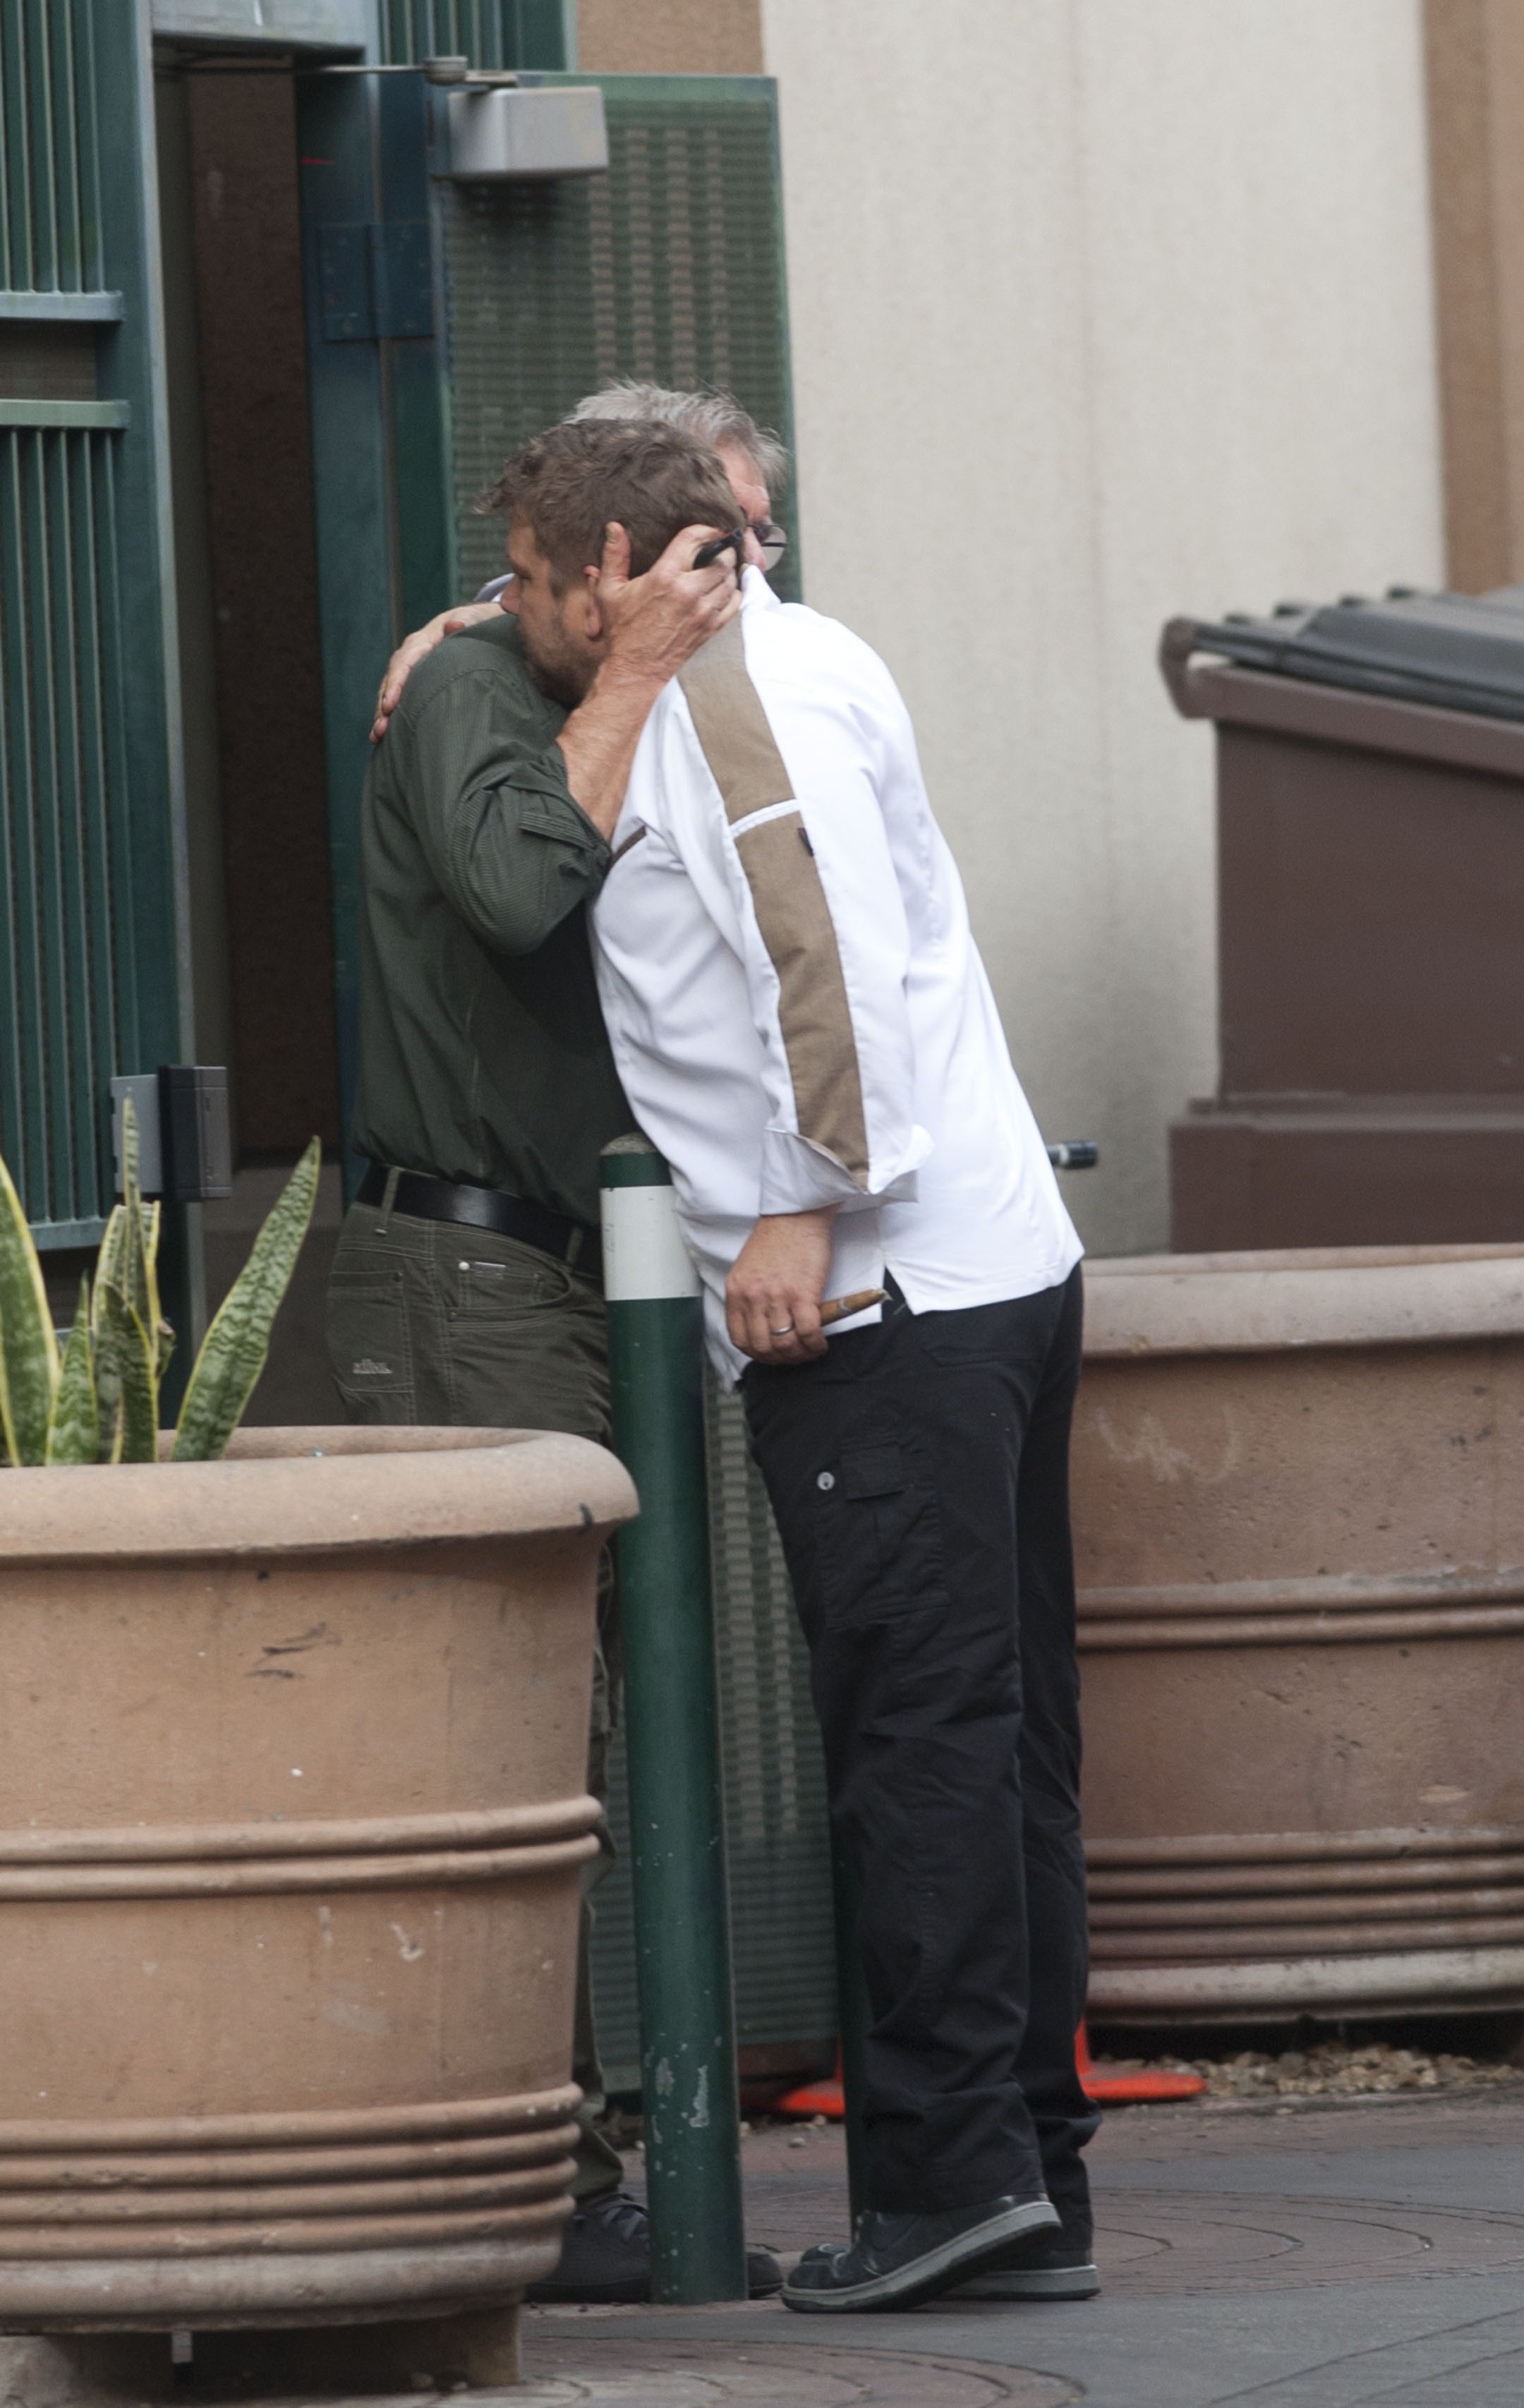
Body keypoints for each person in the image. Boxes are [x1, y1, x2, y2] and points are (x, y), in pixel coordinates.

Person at [480, 414, 1099, 2314]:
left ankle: (946, 2183)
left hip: (876, 1301)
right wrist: (460, 639)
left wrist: (804, 1211)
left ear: (613, 569)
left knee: (916, 1741)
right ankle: (1027, 2171)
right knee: (1003, 1748)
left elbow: (823, 964)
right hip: (991, 1274)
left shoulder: (737, 711)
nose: (506, 616)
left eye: (519, 579)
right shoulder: (799, 647)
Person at [328, 408, 782, 2305]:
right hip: (474, 1277)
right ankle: (544, 2170)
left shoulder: (649, 662)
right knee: (530, 1731)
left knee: (614, 1702)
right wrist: (592, 660)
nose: (497, 602)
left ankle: (581, 2148)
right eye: (505, 578)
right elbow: (524, 889)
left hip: (615, 1269)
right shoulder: (470, 699)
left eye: (531, 576)